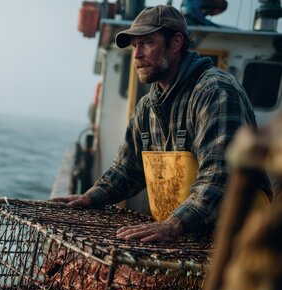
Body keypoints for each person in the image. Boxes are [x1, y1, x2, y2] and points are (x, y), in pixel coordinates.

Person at [52, 5, 272, 241]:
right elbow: (128, 168)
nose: (136, 55)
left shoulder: (215, 92)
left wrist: (173, 224)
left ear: (176, 43)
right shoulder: (147, 107)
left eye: (146, 43)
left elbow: (220, 176)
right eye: (135, 46)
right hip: (189, 237)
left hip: (243, 241)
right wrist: (91, 197)